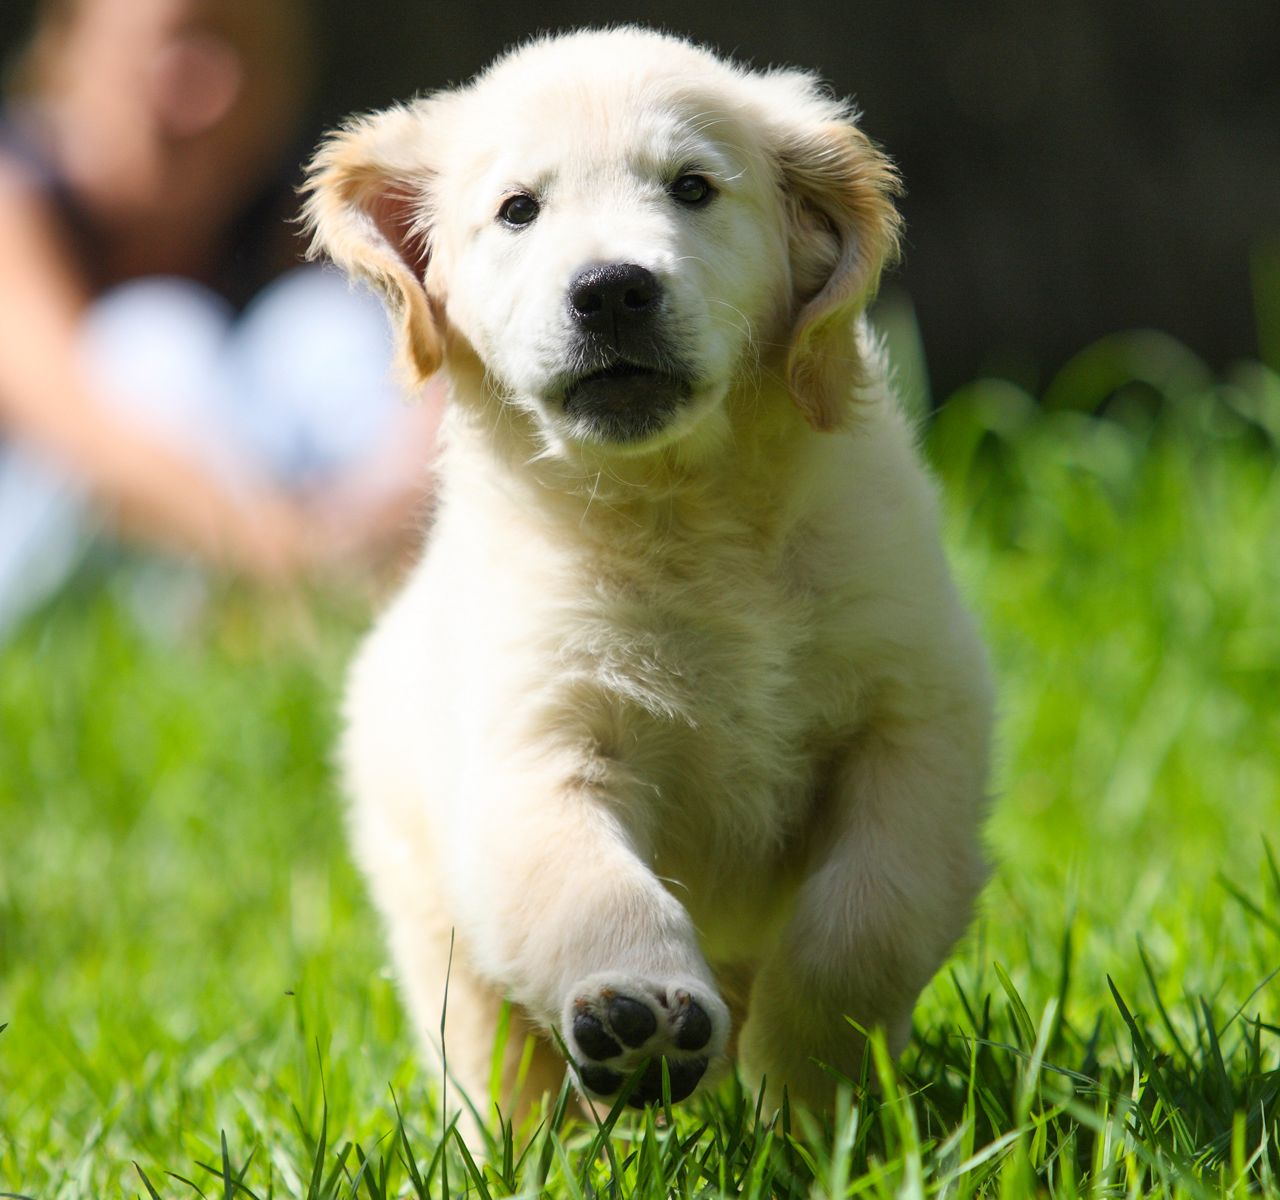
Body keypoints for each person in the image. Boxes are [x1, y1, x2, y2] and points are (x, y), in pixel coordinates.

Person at [0, 0, 443, 634]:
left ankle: (391, 605)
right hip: (40, 564)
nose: (209, 92)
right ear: (74, 45)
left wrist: (373, 518)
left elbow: (440, 390)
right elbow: (78, 428)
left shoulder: (285, 207)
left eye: (239, 53)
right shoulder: (15, 193)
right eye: (175, 45)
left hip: (275, 550)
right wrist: (294, 558)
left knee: (325, 327)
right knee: (155, 337)